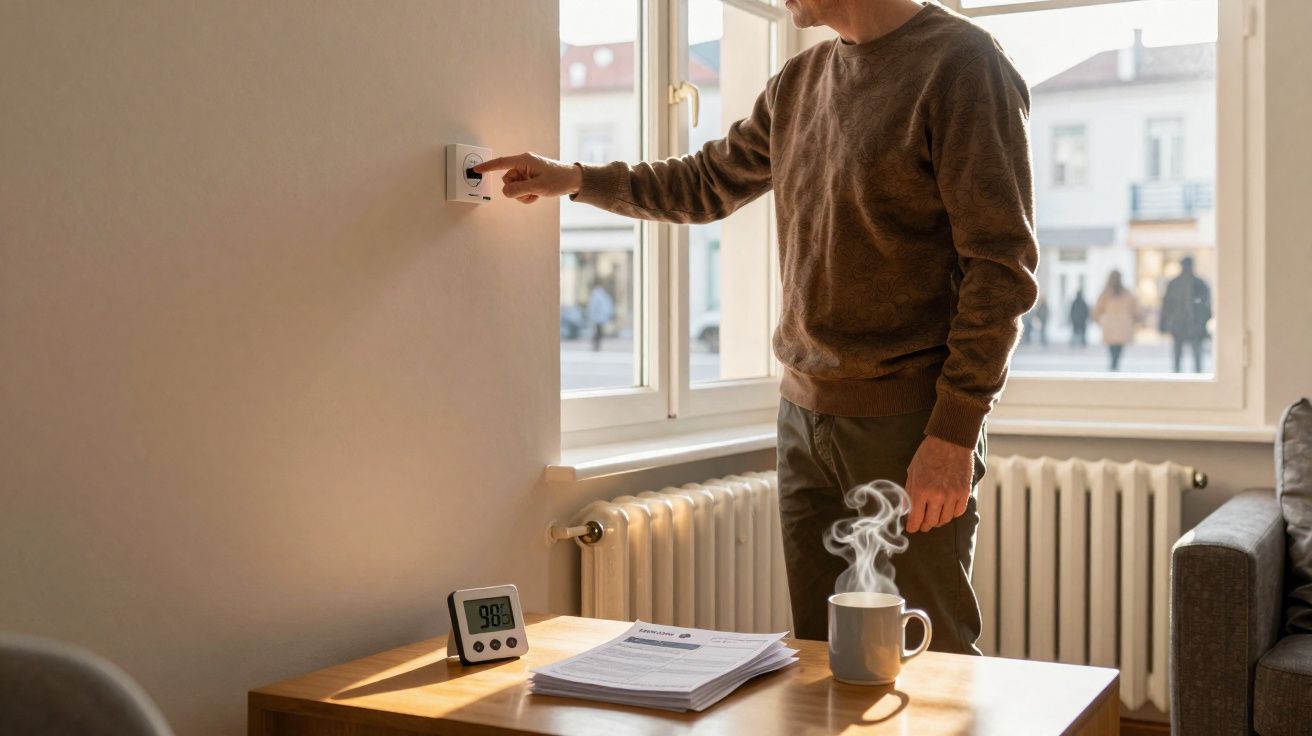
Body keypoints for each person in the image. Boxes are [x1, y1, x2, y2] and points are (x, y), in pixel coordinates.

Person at [475, 0, 1037, 654]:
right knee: (820, 657)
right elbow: (705, 182)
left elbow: (1002, 267)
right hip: (802, 419)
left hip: (909, 425)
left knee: (929, 662)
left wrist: (953, 432)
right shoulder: (798, 83)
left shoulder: (965, 66)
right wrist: (575, 179)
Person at [1158, 256, 1211, 373]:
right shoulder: (1198, 283)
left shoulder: (1178, 283)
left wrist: (1163, 325)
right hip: (1187, 325)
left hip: (1186, 325)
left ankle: (1182, 377)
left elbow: (1167, 306)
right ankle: (1188, 377)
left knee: (1183, 357)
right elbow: (1206, 306)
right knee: (1191, 358)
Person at [1092, 270, 1140, 371]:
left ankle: (1113, 366)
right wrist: (1134, 321)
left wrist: (1098, 321)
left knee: (1112, 349)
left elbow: (1097, 310)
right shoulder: (1127, 293)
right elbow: (1135, 310)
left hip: (1109, 326)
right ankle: (1115, 366)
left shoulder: (1105, 293)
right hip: (1123, 326)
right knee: (1118, 349)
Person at [587, 281, 614, 352]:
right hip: (599, 318)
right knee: (598, 332)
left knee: (598, 332)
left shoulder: (598, 295)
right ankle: (596, 345)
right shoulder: (600, 295)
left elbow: (593, 307)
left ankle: (596, 345)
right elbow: (597, 307)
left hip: (598, 318)